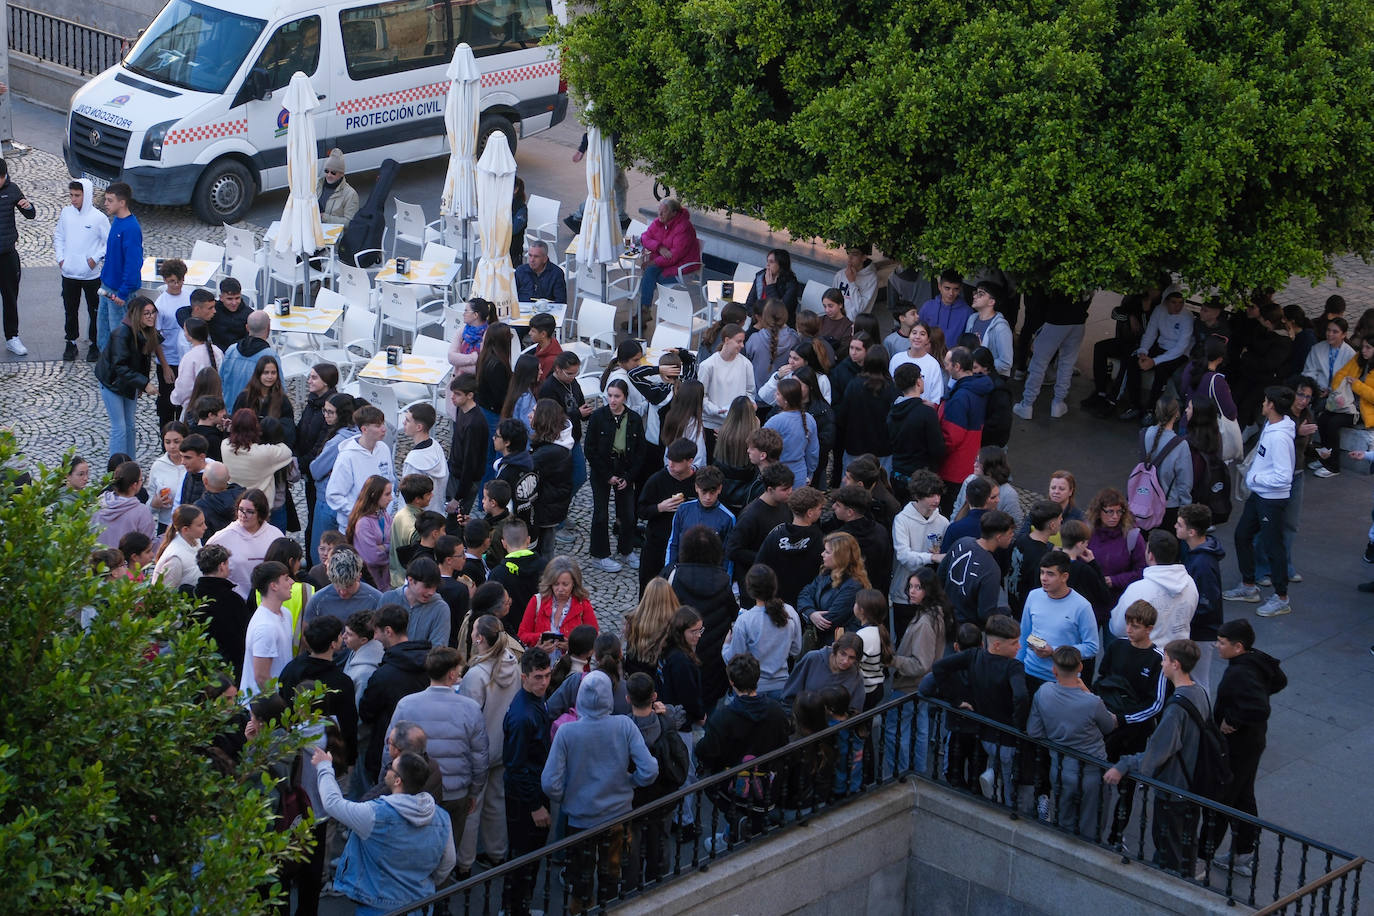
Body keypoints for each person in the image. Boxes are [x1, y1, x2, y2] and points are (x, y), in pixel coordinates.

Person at [541, 670, 658, 911]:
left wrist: (567, 796)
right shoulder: (624, 725)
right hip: (618, 815)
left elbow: (549, 782)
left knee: (580, 878)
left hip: (580, 817)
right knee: (612, 875)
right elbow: (649, 770)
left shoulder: (567, 732)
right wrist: (631, 782)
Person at [1104, 639, 1211, 877]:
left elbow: (1156, 753)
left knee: (1168, 848)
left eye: (1165, 659)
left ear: (1175, 664)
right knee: (1185, 842)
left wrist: (1123, 765)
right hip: (1192, 784)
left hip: (1174, 787)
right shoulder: (1200, 693)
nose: (1161, 664)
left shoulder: (1175, 710)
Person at [310, 743, 455, 916]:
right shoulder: (442, 817)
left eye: (390, 768)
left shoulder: (375, 815)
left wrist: (325, 767)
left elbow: (333, 804)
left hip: (378, 907)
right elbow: (448, 863)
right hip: (421, 904)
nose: (387, 770)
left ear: (397, 780)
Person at [386, 646, 487, 863]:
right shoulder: (470, 708)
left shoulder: (406, 704)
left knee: (413, 853)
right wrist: (474, 791)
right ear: (451, 673)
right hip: (455, 792)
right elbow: (479, 756)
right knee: (447, 853)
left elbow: (390, 749)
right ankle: (441, 894)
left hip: (414, 790)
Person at [1203, 620, 1287, 876]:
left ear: (1238, 647)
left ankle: (1201, 857)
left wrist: (1234, 720)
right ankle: (1243, 852)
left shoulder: (1240, 672)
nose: (1217, 646)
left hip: (1237, 747)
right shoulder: (1255, 660)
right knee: (1242, 796)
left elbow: (1260, 708)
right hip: (1252, 743)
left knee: (1222, 799)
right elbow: (1279, 680)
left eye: (1222, 643)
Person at [931, 613, 1029, 806]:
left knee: (994, 775)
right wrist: (1019, 726)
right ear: (997, 645)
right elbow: (1021, 696)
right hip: (1007, 739)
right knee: (1010, 787)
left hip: (986, 735)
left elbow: (939, 668)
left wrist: (955, 700)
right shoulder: (1013, 667)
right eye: (1015, 643)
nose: (1019, 647)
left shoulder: (973, 656)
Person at [695, 653, 791, 843]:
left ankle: (733, 832)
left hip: (732, 784)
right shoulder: (776, 711)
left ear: (731, 682)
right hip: (767, 781)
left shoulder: (723, 717)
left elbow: (708, 751)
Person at [1027, 646, 1117, 836]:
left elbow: (1033, 731)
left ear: (1054, 669)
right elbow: (1109, 725)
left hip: (1060, 768)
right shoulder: (1092, 702)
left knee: (1062, 824)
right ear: (1080, 667)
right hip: (1092, 772)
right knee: (1092, 830)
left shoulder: (1043, 693)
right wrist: (1089, 694)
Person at [1223, 386, 1297, 617]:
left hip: (1271, 501)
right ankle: (1248, 587)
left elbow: (1284, 475)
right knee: (1242, 535)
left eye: (1265, 401)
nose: (1263, 403)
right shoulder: (1272, 427)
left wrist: (1255, 477)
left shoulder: (1279, 438)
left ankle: (1281, 598)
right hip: (1260, 496)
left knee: (1273, 547)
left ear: (1272, 405)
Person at [884, 567, 952, 774]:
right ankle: (917, 772)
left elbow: (921, 664)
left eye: (918, 588)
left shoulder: (925, 622)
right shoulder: (934, 613)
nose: (912, 591)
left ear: (928, 590)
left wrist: (893, 661)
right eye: (911, 586)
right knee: (919, 729)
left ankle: (901, 774)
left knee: (896, 732)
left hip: (909, 686)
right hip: (921, 686)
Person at [503, 647, 554, 916]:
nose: (544, 682)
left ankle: (514, 907)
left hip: (530, 787)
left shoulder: (533, 702)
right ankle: (515, 909)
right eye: (538, 677)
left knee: (525, 854)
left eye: (546, 675)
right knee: (524, 855)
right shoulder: (524, 716)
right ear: (524, 678)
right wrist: (535, 805)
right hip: (525, 795)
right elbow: (516, 766)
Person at [358, 605, 432, 788]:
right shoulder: (430, 666)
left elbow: (367, 712)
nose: (374, 638)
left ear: (388, 631)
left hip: (389, 753)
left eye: (376, 632)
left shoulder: (383, 675)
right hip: (424, 750)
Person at [585, 378, 645, 572]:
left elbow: (639, 452)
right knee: (601, 513)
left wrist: (628, 477)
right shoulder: (598, 417)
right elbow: (590, 449)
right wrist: (607, 475)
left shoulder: (634, 419)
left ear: (625, 397)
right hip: (603, 468)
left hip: (624, 468)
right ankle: (599, 554)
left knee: (628, 513)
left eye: (617, 396)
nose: (612, 400)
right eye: (609, 395)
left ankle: (626, 550)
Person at [1018, 551, 1100, 690]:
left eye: (1050, 574)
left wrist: (1054, 651)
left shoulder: (1082, 606)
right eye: (1042, 572)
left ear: (1064, 577)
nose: (1044, 578)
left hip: (1062, 680)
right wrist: (1018, 667)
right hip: (1029, 672)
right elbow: (1024, 633)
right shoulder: (1033, 596)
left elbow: (1092, 647)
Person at [1108, 529, 1200, 648]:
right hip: (1178, 655)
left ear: (1150, 555)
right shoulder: (1189, 583)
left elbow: (1118, 627)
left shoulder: (1137, 589)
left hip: (1146, 657)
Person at [94, 297, 159, 460]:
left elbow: (143, 361)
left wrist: (141, 383)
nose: (151, 316)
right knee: (120, 427)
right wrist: (144, 384)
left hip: (128, 382)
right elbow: (119, 366)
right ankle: (117, 469)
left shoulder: (146, 331)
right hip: (112, 383)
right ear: (137, 315)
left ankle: (131, 464)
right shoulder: (122, 333)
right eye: (147, 313)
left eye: (153, 312)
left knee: (129, 426)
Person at [722, 564, 801, 697]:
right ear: (774, 586)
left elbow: (734, 659)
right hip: (782, 687)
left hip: (752, 689)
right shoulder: (790, 612)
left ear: (749, 590)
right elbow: (796, 650)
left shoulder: (745, 620)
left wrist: (725, 646)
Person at [1012, 288, 1091, 421]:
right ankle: (1058, 403)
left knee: (1039, 363)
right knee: (1067, 363)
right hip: (1078, 321)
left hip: (1056, 320)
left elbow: (1040, 301)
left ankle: (1027, 404)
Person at [1121, 286, 1196, 419]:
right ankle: (1135, 405)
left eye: (1181, 303)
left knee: (1162, 370)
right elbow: (1150, 333)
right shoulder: (1159, 310)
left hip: (1179, 353)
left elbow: (1181, 347)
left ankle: (1151, 410)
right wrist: (1143, 352)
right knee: (1133, 362)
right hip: (1162, 346)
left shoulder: (1187, 317)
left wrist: (1154, 361)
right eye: (1173, 302)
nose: (1177, 306)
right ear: (1165, 302)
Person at [55, 178, 108, 361]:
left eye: (77, 195)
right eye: (71, 195)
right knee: (70, 309)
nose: (73, 199)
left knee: (94, 310)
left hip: (91, 275)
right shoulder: (66, 213)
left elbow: (108, 243)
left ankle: (95, 344)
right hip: (68, 272)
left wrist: (94, 259)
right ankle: (71, 341)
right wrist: (61, 259)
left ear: (87, 195)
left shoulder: (98, 218)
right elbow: (59, 236)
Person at [1176, 504, 1226, 696]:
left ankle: (1202, 719)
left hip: (1201, 632)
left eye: (1179, 525)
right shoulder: (1197, 553)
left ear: (1191, 531)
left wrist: (1185, 619)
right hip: (1199, 629)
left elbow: (1207, 602)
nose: (1175, 526)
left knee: (1198, 680)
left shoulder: (1202, 563)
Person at [636, 437, 698, 589]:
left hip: (685, 546)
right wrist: (659, 508)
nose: (670, 464)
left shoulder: (698, 482)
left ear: (689, 461)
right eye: (669, 459)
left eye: (676, 462)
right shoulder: (657, 480)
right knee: (648, 586)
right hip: (656, 543)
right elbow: (641, 511)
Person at [937, 347, 994, 509]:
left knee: (949, 510)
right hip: (969, 462)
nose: (945, 367)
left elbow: (952, 437)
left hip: (953, 468)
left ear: (957, 366)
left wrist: (935, 450)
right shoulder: (978, 388)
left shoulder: (961, 397)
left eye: (948, 364)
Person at [939, 510, 1016, 627]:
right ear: (999, 537)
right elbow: (985, 613)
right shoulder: (991, 569)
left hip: (945, 616)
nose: (1013, 536)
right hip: (966, 629)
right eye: (1010, 533)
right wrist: (1005, 611)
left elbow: (941, 575)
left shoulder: (961, 542)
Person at [326, 404, 395, 532]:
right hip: (355, 527)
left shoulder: (384, 449)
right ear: (364, 429)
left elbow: (390, 481)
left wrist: (387, 508)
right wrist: (360, 513)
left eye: (383, 424)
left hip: (380, 524)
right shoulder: (347, 456)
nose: (384, 429)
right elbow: (334, 494)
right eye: (378, 426)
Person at [756, 484, 827, 607]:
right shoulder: (819, 539)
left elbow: (759, 565)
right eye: (820, 508)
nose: (821, 511)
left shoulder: (776, 534)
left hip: (775, 600)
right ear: (810, 512)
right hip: (806, 602)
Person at [798, 531, 871, 648]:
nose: (822, 554)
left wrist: (810, 614)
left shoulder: (853, 585)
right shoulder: (826, 573)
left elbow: (829, 621)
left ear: (840, 556)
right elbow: (804, 593)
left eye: (827, 552)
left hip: (839, 647)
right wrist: (811, 613)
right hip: (823, 643)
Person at [1314, 336, 1374, 477]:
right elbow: (1340, 374)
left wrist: (1357, 385)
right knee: (1323, 419)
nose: (1363, 351)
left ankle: (1333, 466)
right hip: (1346, 404)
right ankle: (1325, 458)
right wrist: (1339, 390)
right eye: (1363, 347)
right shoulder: (1359, 359)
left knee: (1334, 423)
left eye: (1368, 348)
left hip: (1364, 412)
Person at [636, 198, 702, 325]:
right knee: (648, 275)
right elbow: (644, 237)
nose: (659, 215)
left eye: (663, 212)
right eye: (659, 211)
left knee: (648, 278)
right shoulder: (660, 222)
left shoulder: (684, 228)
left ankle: (642, 314)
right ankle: (642, 313)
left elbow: (674, 256)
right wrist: (659, 247)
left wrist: (653, 262)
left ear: (674, 213)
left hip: (682, 269)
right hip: (665, 264)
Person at [96, 181, 143, 355]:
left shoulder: (130, 229)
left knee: (118, 337)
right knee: (104, 333)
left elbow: (134, 264)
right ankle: (106, 367)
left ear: (122, 203)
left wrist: (123, 293)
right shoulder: (117, 221)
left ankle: (117, 372)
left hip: (118, 292)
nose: (105, 204)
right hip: (107, 286)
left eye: (109, 200)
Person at [193, 544, 252, 681]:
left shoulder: (192, 595)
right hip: (228, 670)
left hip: (198, 669)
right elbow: (241, 639)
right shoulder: (233, 601)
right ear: (222, 566)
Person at [239, 560, 297, 696]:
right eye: (286, 579)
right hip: (262, 708)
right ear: (274, 586)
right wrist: (277, 705)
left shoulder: (285, 613)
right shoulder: (265, 627)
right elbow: (261, 677)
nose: (292, 583)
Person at [517, 555, 598, 648]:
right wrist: (540, 639)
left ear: (574, 583)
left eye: (565, 584)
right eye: (556, 584)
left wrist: (572, 647)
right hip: (541, 661)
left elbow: (593, 638)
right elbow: (522, 635)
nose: (560, 589)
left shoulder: (583, 604)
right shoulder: (536, 601)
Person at [1140, 396, 1194, 531]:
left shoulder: (1144, 434)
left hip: (1143, 499)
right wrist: (1185, 511)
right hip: (1168, 506)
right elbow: (1185, 483)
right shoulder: (1181, 445)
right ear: (1177, 414)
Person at [1086, 487, 1147, 605]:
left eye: (1119, 511)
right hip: (1091, 598)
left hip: (1121, 600)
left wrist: (1114, 580)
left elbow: (1141, 571)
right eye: (1109, 511)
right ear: (1099, 512)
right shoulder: (1087, 533)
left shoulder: (1132, 536)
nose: (1115, 516)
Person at [699, 324, 755, 448]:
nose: (742, 345)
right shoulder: (708, 365)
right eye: (739, 341)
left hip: (737, 425)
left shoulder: (746, 364)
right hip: (712, 424)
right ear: (726, 340)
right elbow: (701, 396)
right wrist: (717, 410)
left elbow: (750, 392)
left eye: (743, 341)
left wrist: (750, 404)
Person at [1004, 500, 1063, 618]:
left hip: (1014, 603)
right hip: (1029, 612)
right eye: (1060, 518)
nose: (1062, 521)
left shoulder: (1021, 540)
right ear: (1052, 525)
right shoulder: (1044, 558)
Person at [379, 557, 450, 649]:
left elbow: (438, 648)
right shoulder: (388, 599)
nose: (431, 592)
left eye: (435, 587)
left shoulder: (440, 608)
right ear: (411, 580)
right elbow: (378, 637)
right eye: (427, 586)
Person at [303, 545, 382, 626]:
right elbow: (306, 636)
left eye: (349, 586)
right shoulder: (317, 601)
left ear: (359, 577)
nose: (343, 592)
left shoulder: (377, 599)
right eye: (337, 585)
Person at [448, 373, 489, 518]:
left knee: (456, 520)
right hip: (455, 473)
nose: (453, 397)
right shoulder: (461, 409)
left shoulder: (474, 424)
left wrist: (457, 497)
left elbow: (470, 463)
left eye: (457, 394)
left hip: (465, 481)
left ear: (470, 395)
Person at [218, 310, 278, 410]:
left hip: (230, 410)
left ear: (247, 327)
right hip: (256, 413)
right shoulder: (270, 356)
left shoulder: (231, 350)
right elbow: (279, 389)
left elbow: (221, 380)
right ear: (268, 328)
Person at [92, 460, 156, 549]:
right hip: (125, 562)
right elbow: (148, 545)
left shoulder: (98, 503)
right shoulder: (141, 512)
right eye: (141, 480)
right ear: (134, 485)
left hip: (99, 560)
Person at [347, 475, 393, 589]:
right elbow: (372, 557)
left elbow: (394, 542)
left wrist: (384, 547)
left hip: (385, 580)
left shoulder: (385, 515)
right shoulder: (363, 523)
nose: (391, 498)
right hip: (371, 582)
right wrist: (390, 551)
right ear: (374, 495)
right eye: (387, 494)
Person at [746, 299, 801, 391]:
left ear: (765, 316)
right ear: (785, 316)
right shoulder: (794, 339)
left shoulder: (755, 339)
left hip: (757, 394)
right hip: (784, 395)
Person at [888, 320, 946, 405]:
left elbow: (936, 396)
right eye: (914, 333)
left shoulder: (933, 364)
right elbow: (891, 387)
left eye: (922, 334)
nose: (917, 337)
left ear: (928, 339)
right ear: (909, 335)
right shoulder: (897, 359)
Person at [964, 280, 1013, 376]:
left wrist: (982, 366)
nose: (974, 296)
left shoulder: (1001, 327)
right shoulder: (972, 319)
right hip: (971, 375)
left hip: (991, 379)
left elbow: (1006, 363)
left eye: (980, 294)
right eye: (975, 293)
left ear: (991, 302)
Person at [151, 504, 206, 591]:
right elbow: (164, 593)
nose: (205, 527)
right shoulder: (175, 559)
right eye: (200, 525)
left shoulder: (195, 540)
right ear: (185, 529)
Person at [917, 269, 971, 347]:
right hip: (927, 355)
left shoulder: (967, 312)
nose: (951, 293)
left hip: (954, 357)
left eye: (955, 289)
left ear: (960, 289)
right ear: (939, 286)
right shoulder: (927, 306)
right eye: (947, 288)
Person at [448, 298, 495, 379]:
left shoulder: (489, 334)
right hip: (458, 382)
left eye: (466, 311)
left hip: (480, 383)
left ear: (475, 315)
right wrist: (474, 358)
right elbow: (451, 357)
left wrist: (459, 363)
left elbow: (483, 369)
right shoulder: (462, 331)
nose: (463, 314)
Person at [317, 147, 359, 224]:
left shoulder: (350, 194)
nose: (329, 175)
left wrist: (323, 217)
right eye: (326, 171)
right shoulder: (317, 185)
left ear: (341, 174)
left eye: (333, 172)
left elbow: (350, 222)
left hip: (334, 234)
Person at [209, 276, 250, 351]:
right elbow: (184, 312)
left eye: (237, 298)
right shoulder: (213, 309)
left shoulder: (249, 314)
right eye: (229, 299)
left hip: (239, 353)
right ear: (221, 297)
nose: (234, 303)